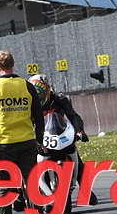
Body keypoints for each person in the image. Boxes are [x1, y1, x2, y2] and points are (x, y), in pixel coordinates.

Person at [0, 50, 48, 214]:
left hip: (4, 143)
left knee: (5, 184)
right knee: (31, 181)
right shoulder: (27, 86)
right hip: (27, 141)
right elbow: (38, 117)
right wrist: (39, 140)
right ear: (13, 64)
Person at [28, 74, 98, 206]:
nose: (38, 99)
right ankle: (39, 195)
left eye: (40, 95)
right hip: (40, 138)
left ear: (47, 90)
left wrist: (79, 131)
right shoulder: (29, 105)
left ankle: (86, 190)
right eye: (35, 96)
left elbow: (73, 116)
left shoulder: (59, 99)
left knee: (78, 160)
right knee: (31, 165)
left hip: (59, 134)